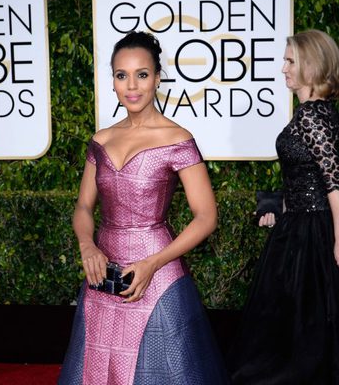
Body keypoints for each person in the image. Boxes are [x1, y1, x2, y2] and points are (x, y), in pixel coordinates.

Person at [57, 31, 230, 385]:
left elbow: (206, 216)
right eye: (122, 75)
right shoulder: (101, 140)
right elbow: (83, 207)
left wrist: (153, 263)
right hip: (102, 273)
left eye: (142, 74)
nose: (131, 86)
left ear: (157, 79)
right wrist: (87, 245)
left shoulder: (176, 138)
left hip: (158, 270)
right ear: (113, 82)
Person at [228, 29, 339, 384]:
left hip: (312, 232)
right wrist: (278, 203)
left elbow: (335, 182)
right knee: (295, 321)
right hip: (299, 225)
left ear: (311, 64)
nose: (283, 68)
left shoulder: (312, 116)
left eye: (290, 60)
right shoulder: (313, 113)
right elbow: (307, 176)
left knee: (301, 321)